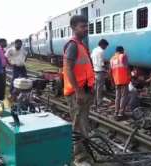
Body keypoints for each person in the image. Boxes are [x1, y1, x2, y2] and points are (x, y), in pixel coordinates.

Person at [63, 15, 95, 166]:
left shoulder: (81, 45)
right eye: (83, 26)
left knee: (83, 124)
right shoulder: (73, 45)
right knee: (78, 125)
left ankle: (84, 153)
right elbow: (68, 69)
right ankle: (80, 159)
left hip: (84, 91)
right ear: (74, 28)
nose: (86, 29)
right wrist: (78, 91)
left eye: (86, 26)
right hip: (78, 93)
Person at [110, 46, 131, 120]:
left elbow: (111, 71)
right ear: (122, 50)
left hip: (116, 80)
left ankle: (116, 112)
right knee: (123, 97)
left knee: (117, 97)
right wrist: (129, 77)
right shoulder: (123, 56)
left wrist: (112, 80)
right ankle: (121, 114)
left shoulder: (112, 59)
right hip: (124, 80)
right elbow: (127, 68)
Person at [91, 39, 109, 108]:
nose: (105, 48)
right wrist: (107, 68)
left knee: (96, 87)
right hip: (100, 71)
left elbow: (91, 57)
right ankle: (99, 103)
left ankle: (95, 101)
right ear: (102, 45)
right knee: (99, 88)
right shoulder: (101, 51)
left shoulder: (94, 50)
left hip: (95, 70)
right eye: (105, 46)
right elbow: (102, 63)